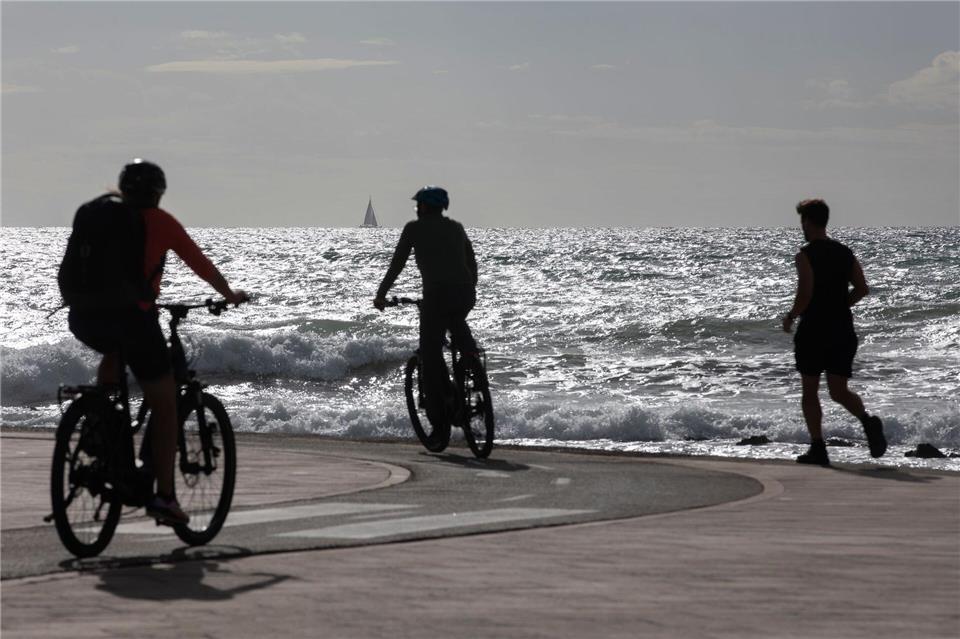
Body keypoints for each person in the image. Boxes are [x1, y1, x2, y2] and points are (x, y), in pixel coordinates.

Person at [65, 159, 247, 524]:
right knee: (164, 405)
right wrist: (230, 293)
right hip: (132, 317)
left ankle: (99, 423)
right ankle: (164, 498)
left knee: (115, 351)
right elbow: (202, 264)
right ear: (159, 193)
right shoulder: (159, 221)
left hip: (83, 316)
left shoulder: (97, 214)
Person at [782, 198, 885, 466]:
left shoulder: (805, 255)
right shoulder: (844, 252)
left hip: (814, 330)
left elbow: (805, 293)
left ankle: (819, 447)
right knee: (838, 391)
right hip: (841, 330)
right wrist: (840, 306)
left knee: (810, 390)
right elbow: (862, 288)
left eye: (802, 221)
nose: (801, 226)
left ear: (807, 222)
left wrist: (791, 316)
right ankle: (867, 421)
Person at [373, 186, 478, 427]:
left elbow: (397, 263)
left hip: (437, 296)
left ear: (423, 207)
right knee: (459, 329)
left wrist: (381, 294)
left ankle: (440, 418)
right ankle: (470, 367)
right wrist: (470, 288)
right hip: (464, 294)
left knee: (430, 353)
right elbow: (471, 263)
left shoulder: (414, 228)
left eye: (418, 205)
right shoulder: (456, 228)